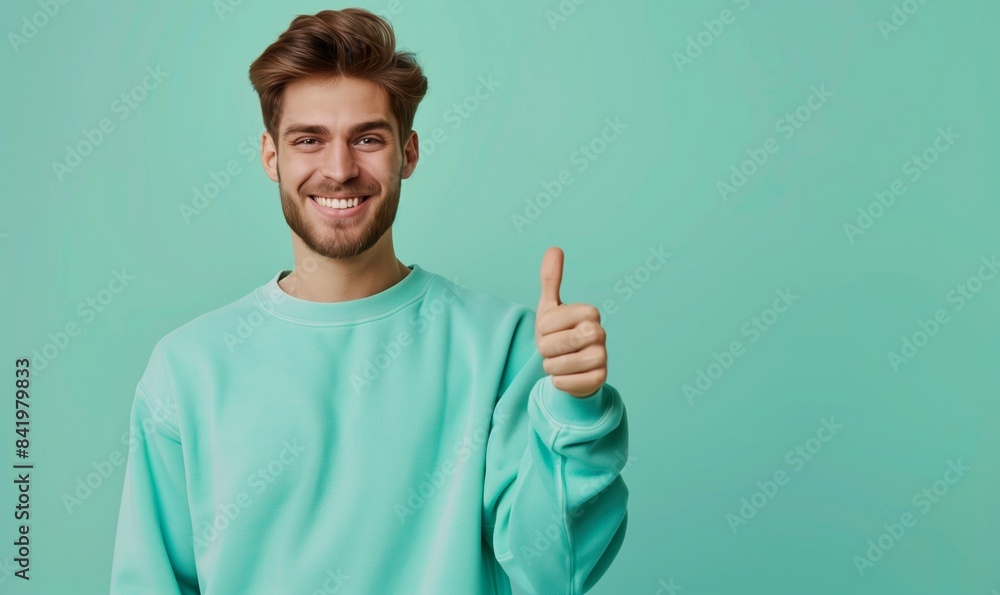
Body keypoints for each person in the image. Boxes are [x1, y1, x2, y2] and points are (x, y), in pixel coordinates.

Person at [110, 8, 628, 594]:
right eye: (309, 140)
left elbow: (556, 572)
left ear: (407, 153)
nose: (339, 169)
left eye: (367, 139)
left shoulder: (503, 349)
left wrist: (578, 410)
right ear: (270, 155)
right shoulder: (186, 370)